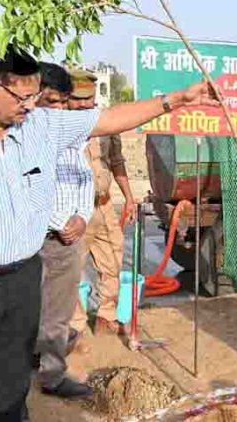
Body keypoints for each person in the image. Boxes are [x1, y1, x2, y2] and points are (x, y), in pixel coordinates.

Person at [0, 45, 215, 420]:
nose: (30, 105)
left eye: (34, 95)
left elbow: (109, 118)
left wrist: (177, 100)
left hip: (21, 280)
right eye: (22, 96)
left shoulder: (40, 125)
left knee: (10, 386)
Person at [34, 62, 95, 398]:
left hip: (65, 241)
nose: (59, 110)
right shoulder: (23, 135)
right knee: (23, 313)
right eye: (51, 102)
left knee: (58, 314)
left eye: (63, 103)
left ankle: (52, 377)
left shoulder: (73, 137)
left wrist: (82, 218)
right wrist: (59, 222)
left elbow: (84, 180)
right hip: (32, 241)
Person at [68, 69, 137, 337]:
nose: (84, 104)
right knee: (70, 270)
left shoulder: (106, 122)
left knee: (113, 263)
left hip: (104, 206)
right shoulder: (58, 125)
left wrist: (129, 197)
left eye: (89, 99)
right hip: (73, 210)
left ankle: (107, 318)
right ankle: (74, 326)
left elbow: (116, 161)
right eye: (78, 99)